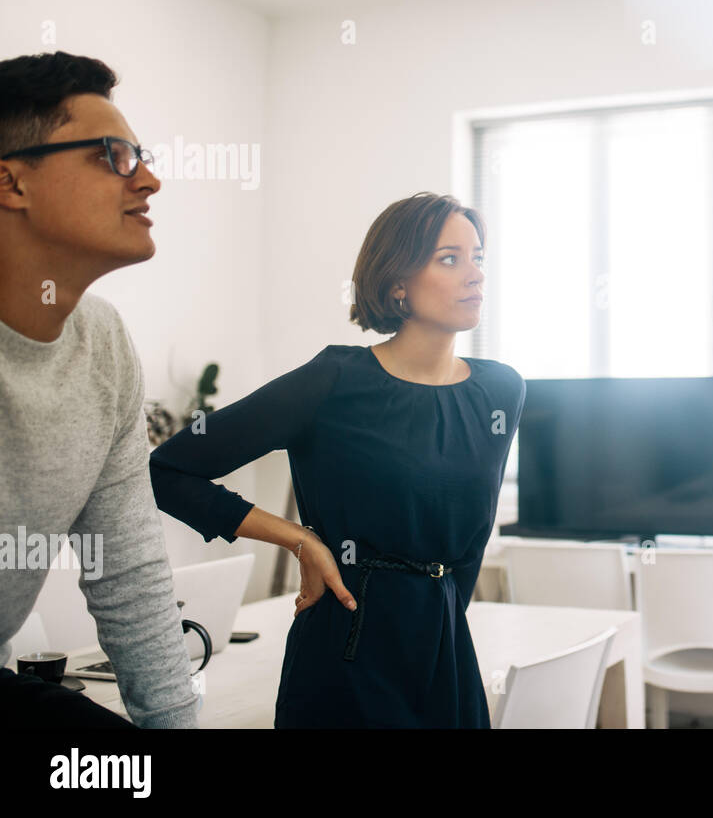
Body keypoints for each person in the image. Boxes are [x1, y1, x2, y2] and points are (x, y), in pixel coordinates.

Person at [149, 192, 525, 727]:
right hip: (347, 645)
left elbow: (473, 537)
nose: (475, 275)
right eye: (450, 258)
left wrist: (436, 624)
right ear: (398, 282)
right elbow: (167, 470)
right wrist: (300, 539)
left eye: (479, 257)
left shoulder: (501, 389)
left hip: (447, 650)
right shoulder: (333, 381)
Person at [0, 51, 198, 728]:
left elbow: (128, 571)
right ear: (12, 182)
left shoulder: (102, 343)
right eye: (114, 155)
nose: (149, 180)